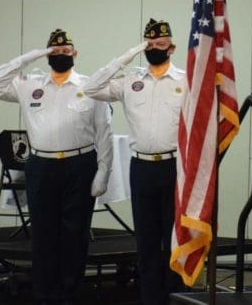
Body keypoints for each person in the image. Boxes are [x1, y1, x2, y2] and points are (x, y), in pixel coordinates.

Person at [0, 29, 113, 305]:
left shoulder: (90, 86)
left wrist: (104, 171)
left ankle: (69, 293)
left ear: (75, 53)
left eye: (66, 51)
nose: (60, 55)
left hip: (80, 165)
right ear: (46, 55)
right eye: (54, 52)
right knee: (43, 234)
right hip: (41, 165)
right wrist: (31, 56)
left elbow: (104, 131)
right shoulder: (31, 84)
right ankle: (45, 294)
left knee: (74, 234)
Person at [82, 18, 184, 305]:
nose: (154, 49)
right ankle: (150, 298)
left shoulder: (185, 81)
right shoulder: (131, 81)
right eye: (149, 45)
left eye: (160, 45)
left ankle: (177, 297)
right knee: (147, 241)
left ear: (171, 48)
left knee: (173, 240)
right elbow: (91, 88)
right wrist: (127, 56)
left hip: (174, 167)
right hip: (141, 168)